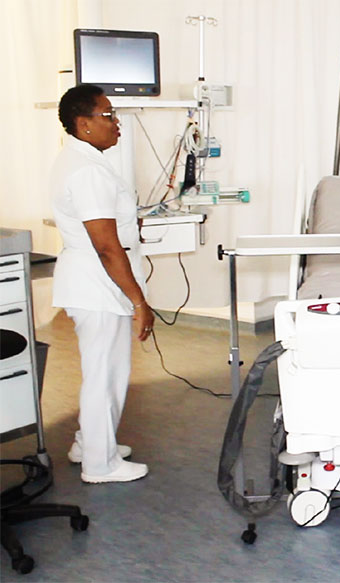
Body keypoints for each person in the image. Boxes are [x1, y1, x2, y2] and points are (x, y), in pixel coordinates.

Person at [50, 84, 153, 483]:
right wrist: (139, 301)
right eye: (108, 115)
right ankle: (100, 463)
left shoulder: (79, 159)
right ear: (84, 124)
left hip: (91, 281)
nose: (116, 123)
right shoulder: (89, 170)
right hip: (98, 284)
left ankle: (88, 442)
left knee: (102, 371)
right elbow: (108, 247)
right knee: (104, 375)